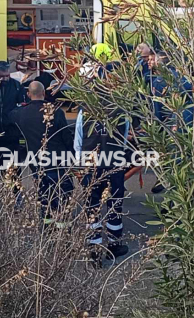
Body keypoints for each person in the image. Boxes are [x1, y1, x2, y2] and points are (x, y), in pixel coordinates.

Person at [74, 65, 130, 262]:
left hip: (91, 163)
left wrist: (79, 163)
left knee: (92, 204)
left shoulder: (85, 109)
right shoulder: (121, 108)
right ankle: (115, 245)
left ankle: (94, 249)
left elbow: (78, 140)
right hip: (114, 162)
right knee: (115, 204)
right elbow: (123, 140)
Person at [10, 81, 75, 226]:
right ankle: (63, 230)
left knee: (44, 195)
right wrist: (73, 157)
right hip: (58, 162)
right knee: (62, 196)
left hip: (36, 163)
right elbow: (66, 137)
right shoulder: (56, 112)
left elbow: (10, 123)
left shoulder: (19, 113)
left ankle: (48, 225)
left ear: (28, 95)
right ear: (44, 93)